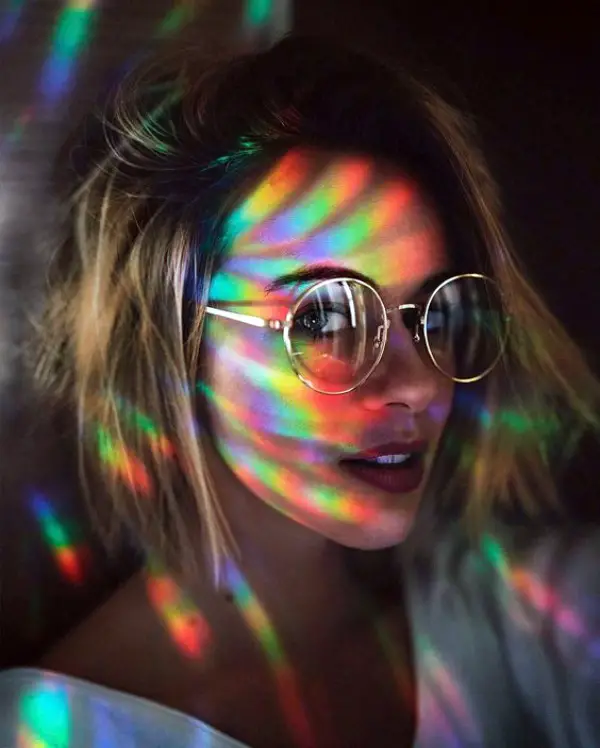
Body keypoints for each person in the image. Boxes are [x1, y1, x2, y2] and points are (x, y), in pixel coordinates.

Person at [3, 34, 599, 747]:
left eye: (432, 314)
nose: (417, 383)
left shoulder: (520, 624)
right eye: (323, 317)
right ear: (172, 339)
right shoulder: (57, 731)